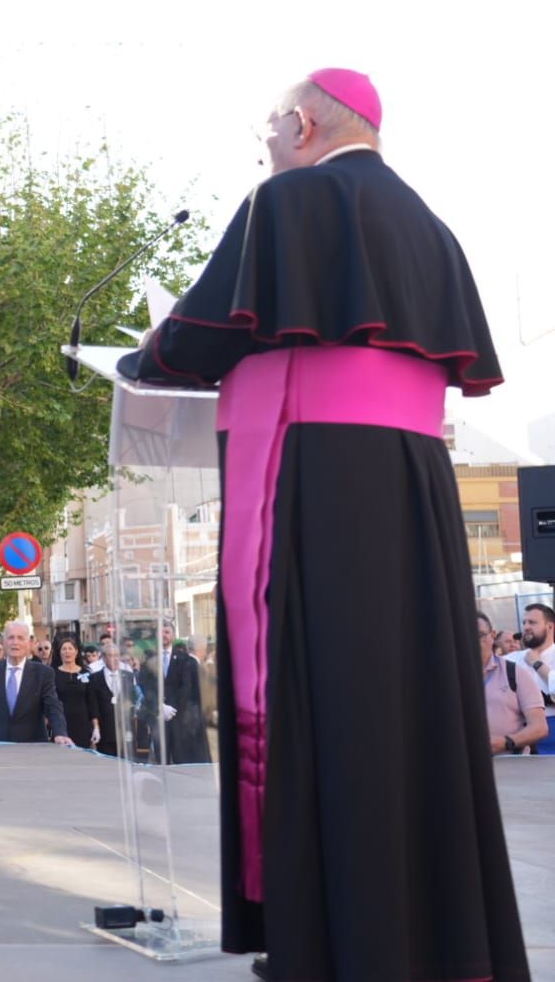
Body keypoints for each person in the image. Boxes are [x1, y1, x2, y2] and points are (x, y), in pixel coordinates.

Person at [117, 69, 526, 981]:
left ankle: (326, 939)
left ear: (303, 124)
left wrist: (137, 354)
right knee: (408, 694)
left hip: (309, 475)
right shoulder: (432, 227)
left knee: (311, 688)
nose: (266, 139)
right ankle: (434, 938)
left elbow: (194, 335)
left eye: (271, 124)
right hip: (412, 489)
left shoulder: (289, 200)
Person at [0, 622, 70, 744]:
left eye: (20, 638)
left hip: (32, 746)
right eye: (11, 637)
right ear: (3, 642)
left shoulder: (43, 673)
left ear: (29, 643)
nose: (15, 642)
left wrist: (60, 733)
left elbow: (53, 706)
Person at [139, 625, 210, 764]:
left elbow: (186, 688)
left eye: (167, 632)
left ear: (173, 635)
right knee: (161, 760)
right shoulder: (148, 659)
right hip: (158, 718)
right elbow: (145, 686)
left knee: (180, 759)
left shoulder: (184, 659)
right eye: (161, 632)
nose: (164, 635)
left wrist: (173, 708)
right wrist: (159, 706)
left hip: (179, 719)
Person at [479, 615, 547, 756]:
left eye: (479, 635)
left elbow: (540, 727)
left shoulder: (515, 672)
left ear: (493, 636)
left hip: (511, 766)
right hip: (463, 767)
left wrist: (506, 742)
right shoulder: (448, 676)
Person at [504, 603, 555, 755]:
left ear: (550, 626)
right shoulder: (511, 660)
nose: (526, 627)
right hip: (520, 734)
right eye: (524, 622)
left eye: (532, 622)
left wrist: (536, 663)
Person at [53, 638, 101, 750]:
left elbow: (92, 702)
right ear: (59, 652)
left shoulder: (86, 673)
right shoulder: (53, 674)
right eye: (64, 649)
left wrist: (96, 727)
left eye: (70, 648)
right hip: (62, 724)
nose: (67, 652)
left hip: (83, 723)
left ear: (76, 652)